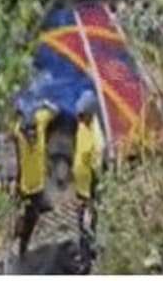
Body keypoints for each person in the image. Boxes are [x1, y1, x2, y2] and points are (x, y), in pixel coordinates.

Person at [11, 101, 56, 258]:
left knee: (34, 216)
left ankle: (22, 242)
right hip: (26, 187)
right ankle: (20, 244)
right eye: (28, 135)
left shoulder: (41, 121)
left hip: (39, 185)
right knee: (27, 217)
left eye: (34, 134)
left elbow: (55, 110)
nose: (32, 138)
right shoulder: (18, 133)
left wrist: (43, 103)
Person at [72, 91, 104, 271]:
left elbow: (96, 168)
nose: (80, 118)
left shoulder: (97, 137)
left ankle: (89, 261)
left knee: (89, 224)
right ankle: (84, 256)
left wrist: (91, 196)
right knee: (81, 224)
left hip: (90, 189)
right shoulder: (82, 126)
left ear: (91, 113)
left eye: (82, 115)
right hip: (81, 187)